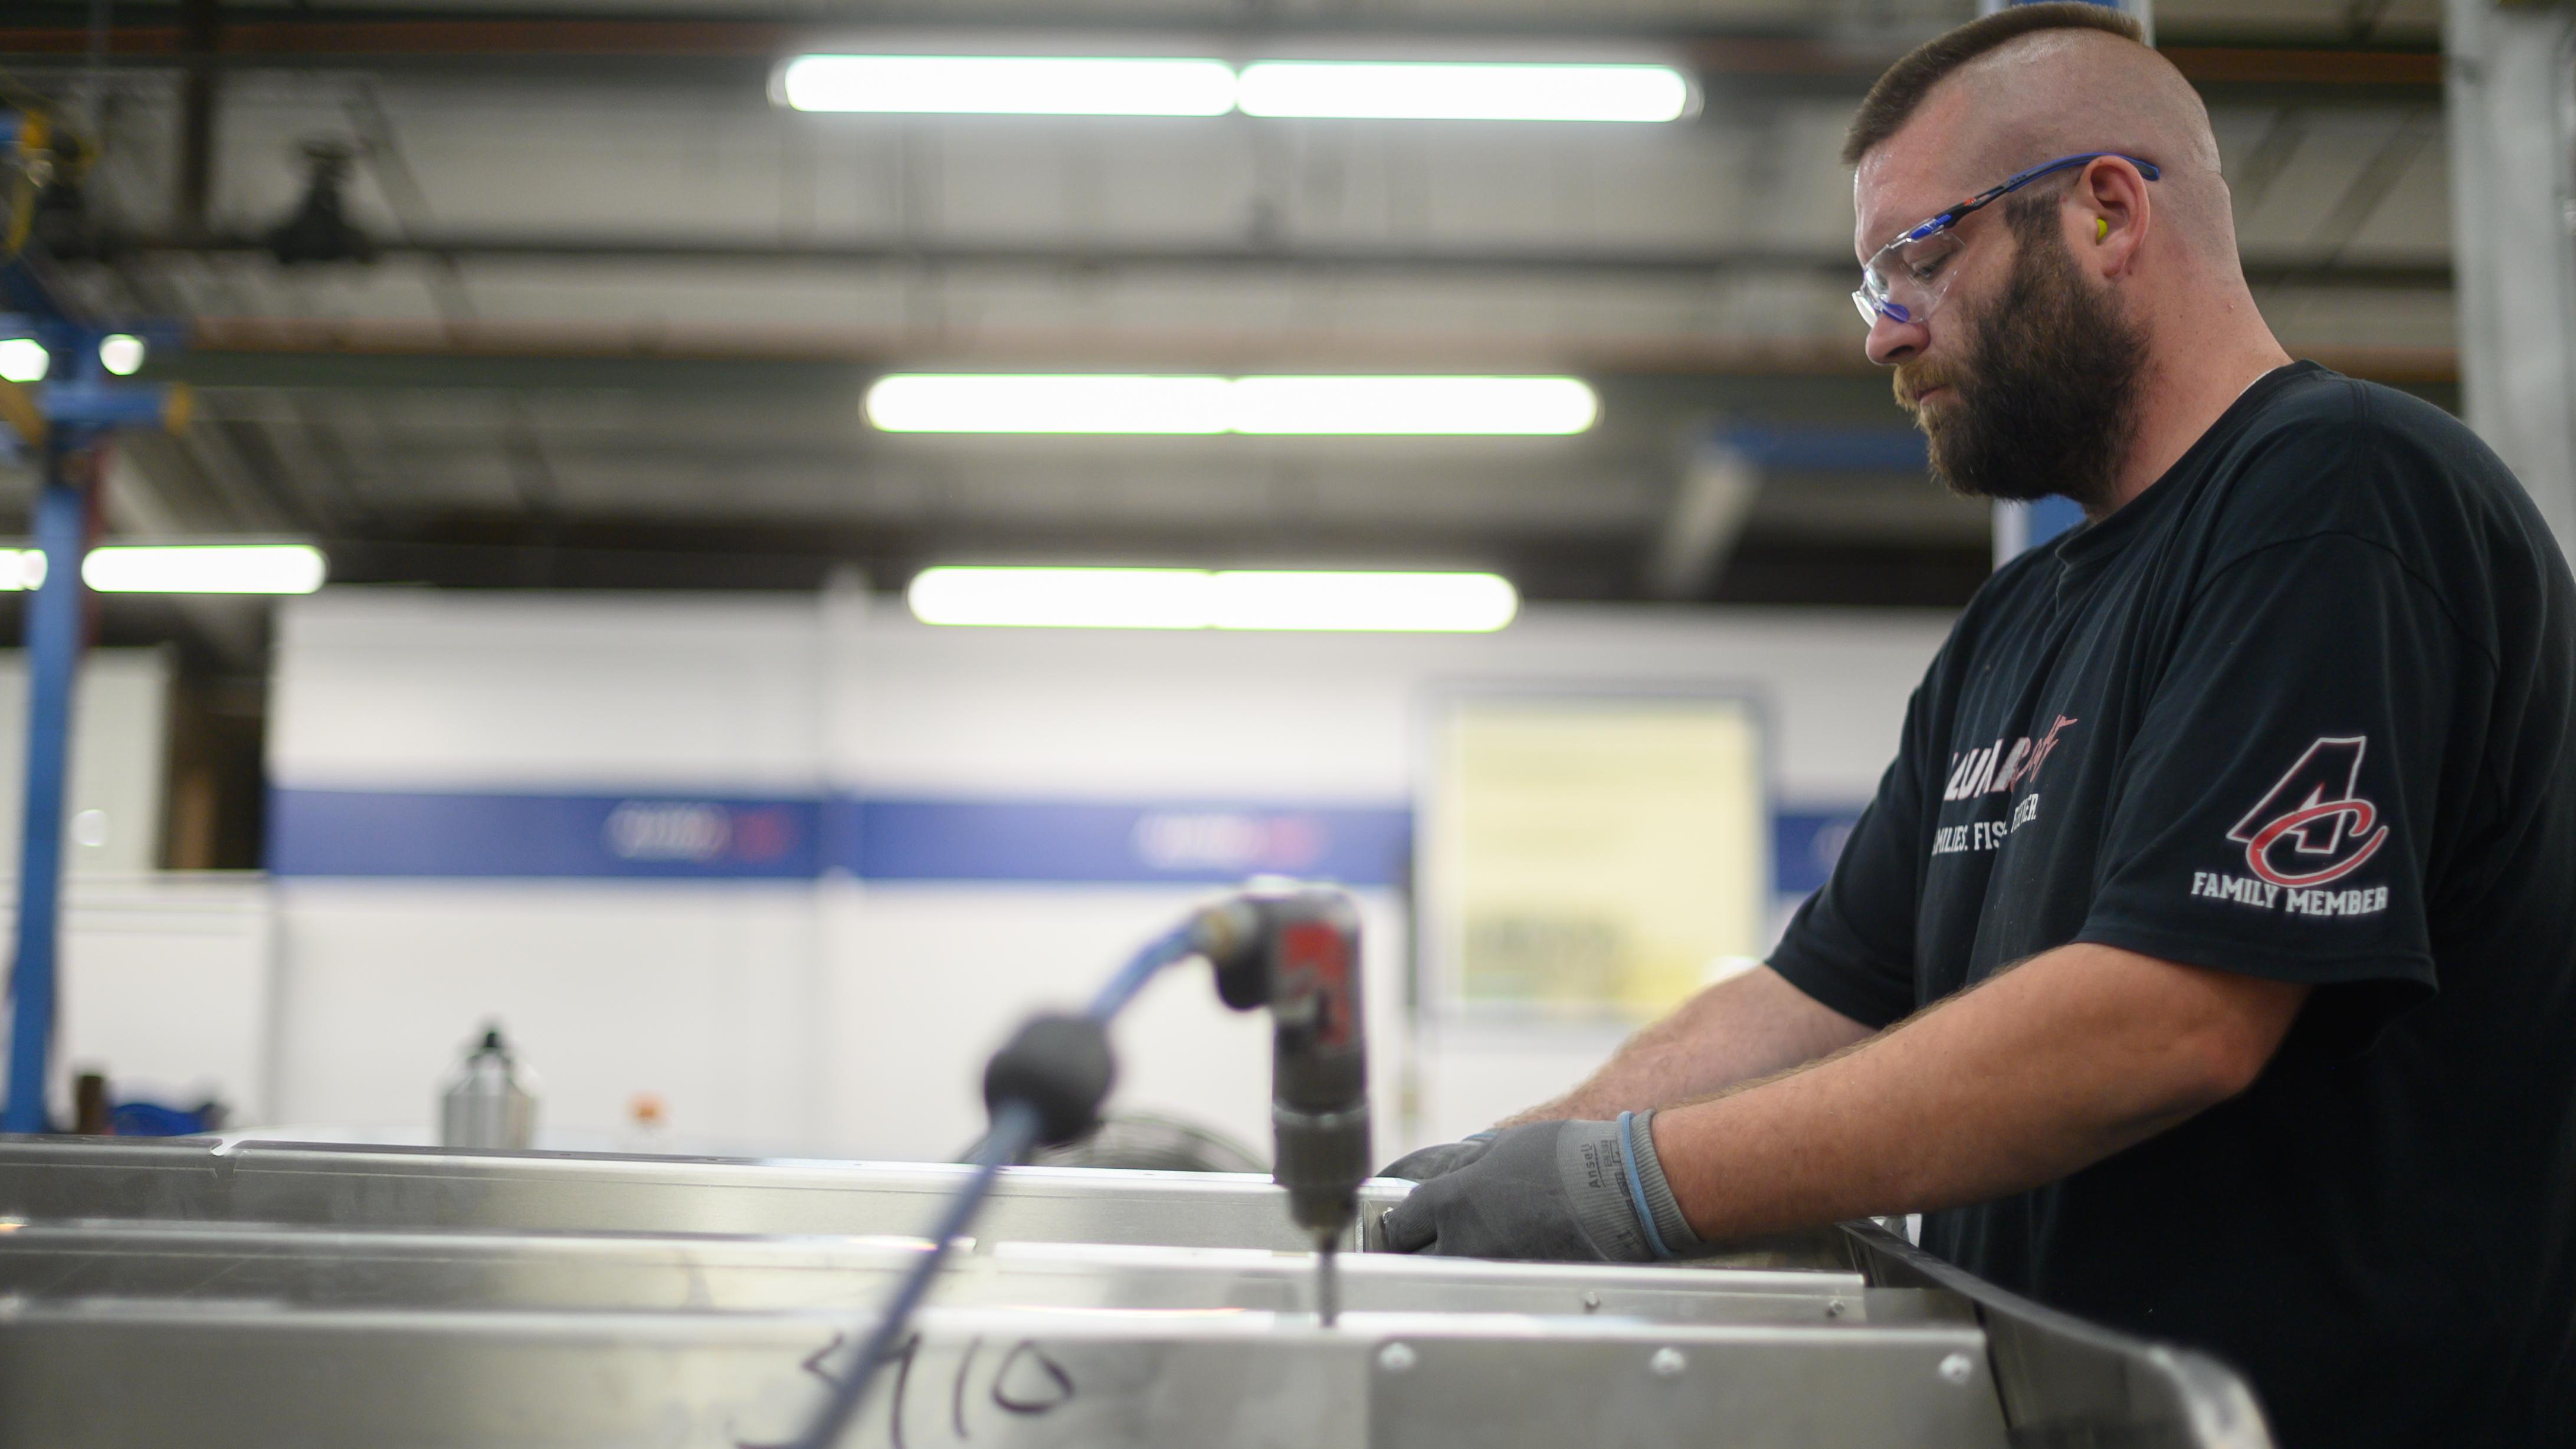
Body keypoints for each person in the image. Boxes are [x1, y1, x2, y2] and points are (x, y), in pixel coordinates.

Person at [1377, 8, 2576, 1447]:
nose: (1885, 329)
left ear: (2104, 211)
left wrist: (1633, 1182)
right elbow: (1815, 992)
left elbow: (2171, 1018)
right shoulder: (2019, 624)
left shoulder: (2339, 501)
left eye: (1917, 256)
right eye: (1868, 284)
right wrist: (1512, 1167)